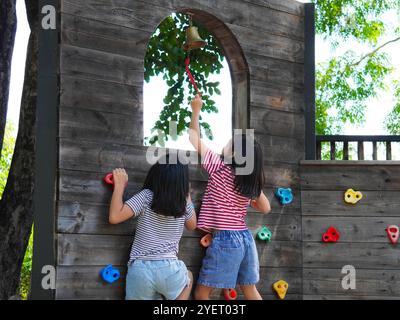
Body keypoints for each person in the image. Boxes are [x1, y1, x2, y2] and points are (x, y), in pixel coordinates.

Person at [188, 94, 271, 300]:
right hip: (245, 238)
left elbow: (193, 138)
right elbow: (266, 208)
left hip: (225, 239)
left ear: (233, 154)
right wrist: (254, 185)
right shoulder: (248, 183)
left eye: (229, 143)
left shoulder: (219, 168)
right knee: (249, 289)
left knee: (201, 293)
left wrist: (196, 109)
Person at [108, 153, 197, 300]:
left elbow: (115, 217)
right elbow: (192, 225)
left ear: (156, 175)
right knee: (189, 276)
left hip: (140, 270)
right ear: (183, 183)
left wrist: (119, 186)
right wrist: (187, 196)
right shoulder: (183, 203)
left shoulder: (146, 196)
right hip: (169, 271)